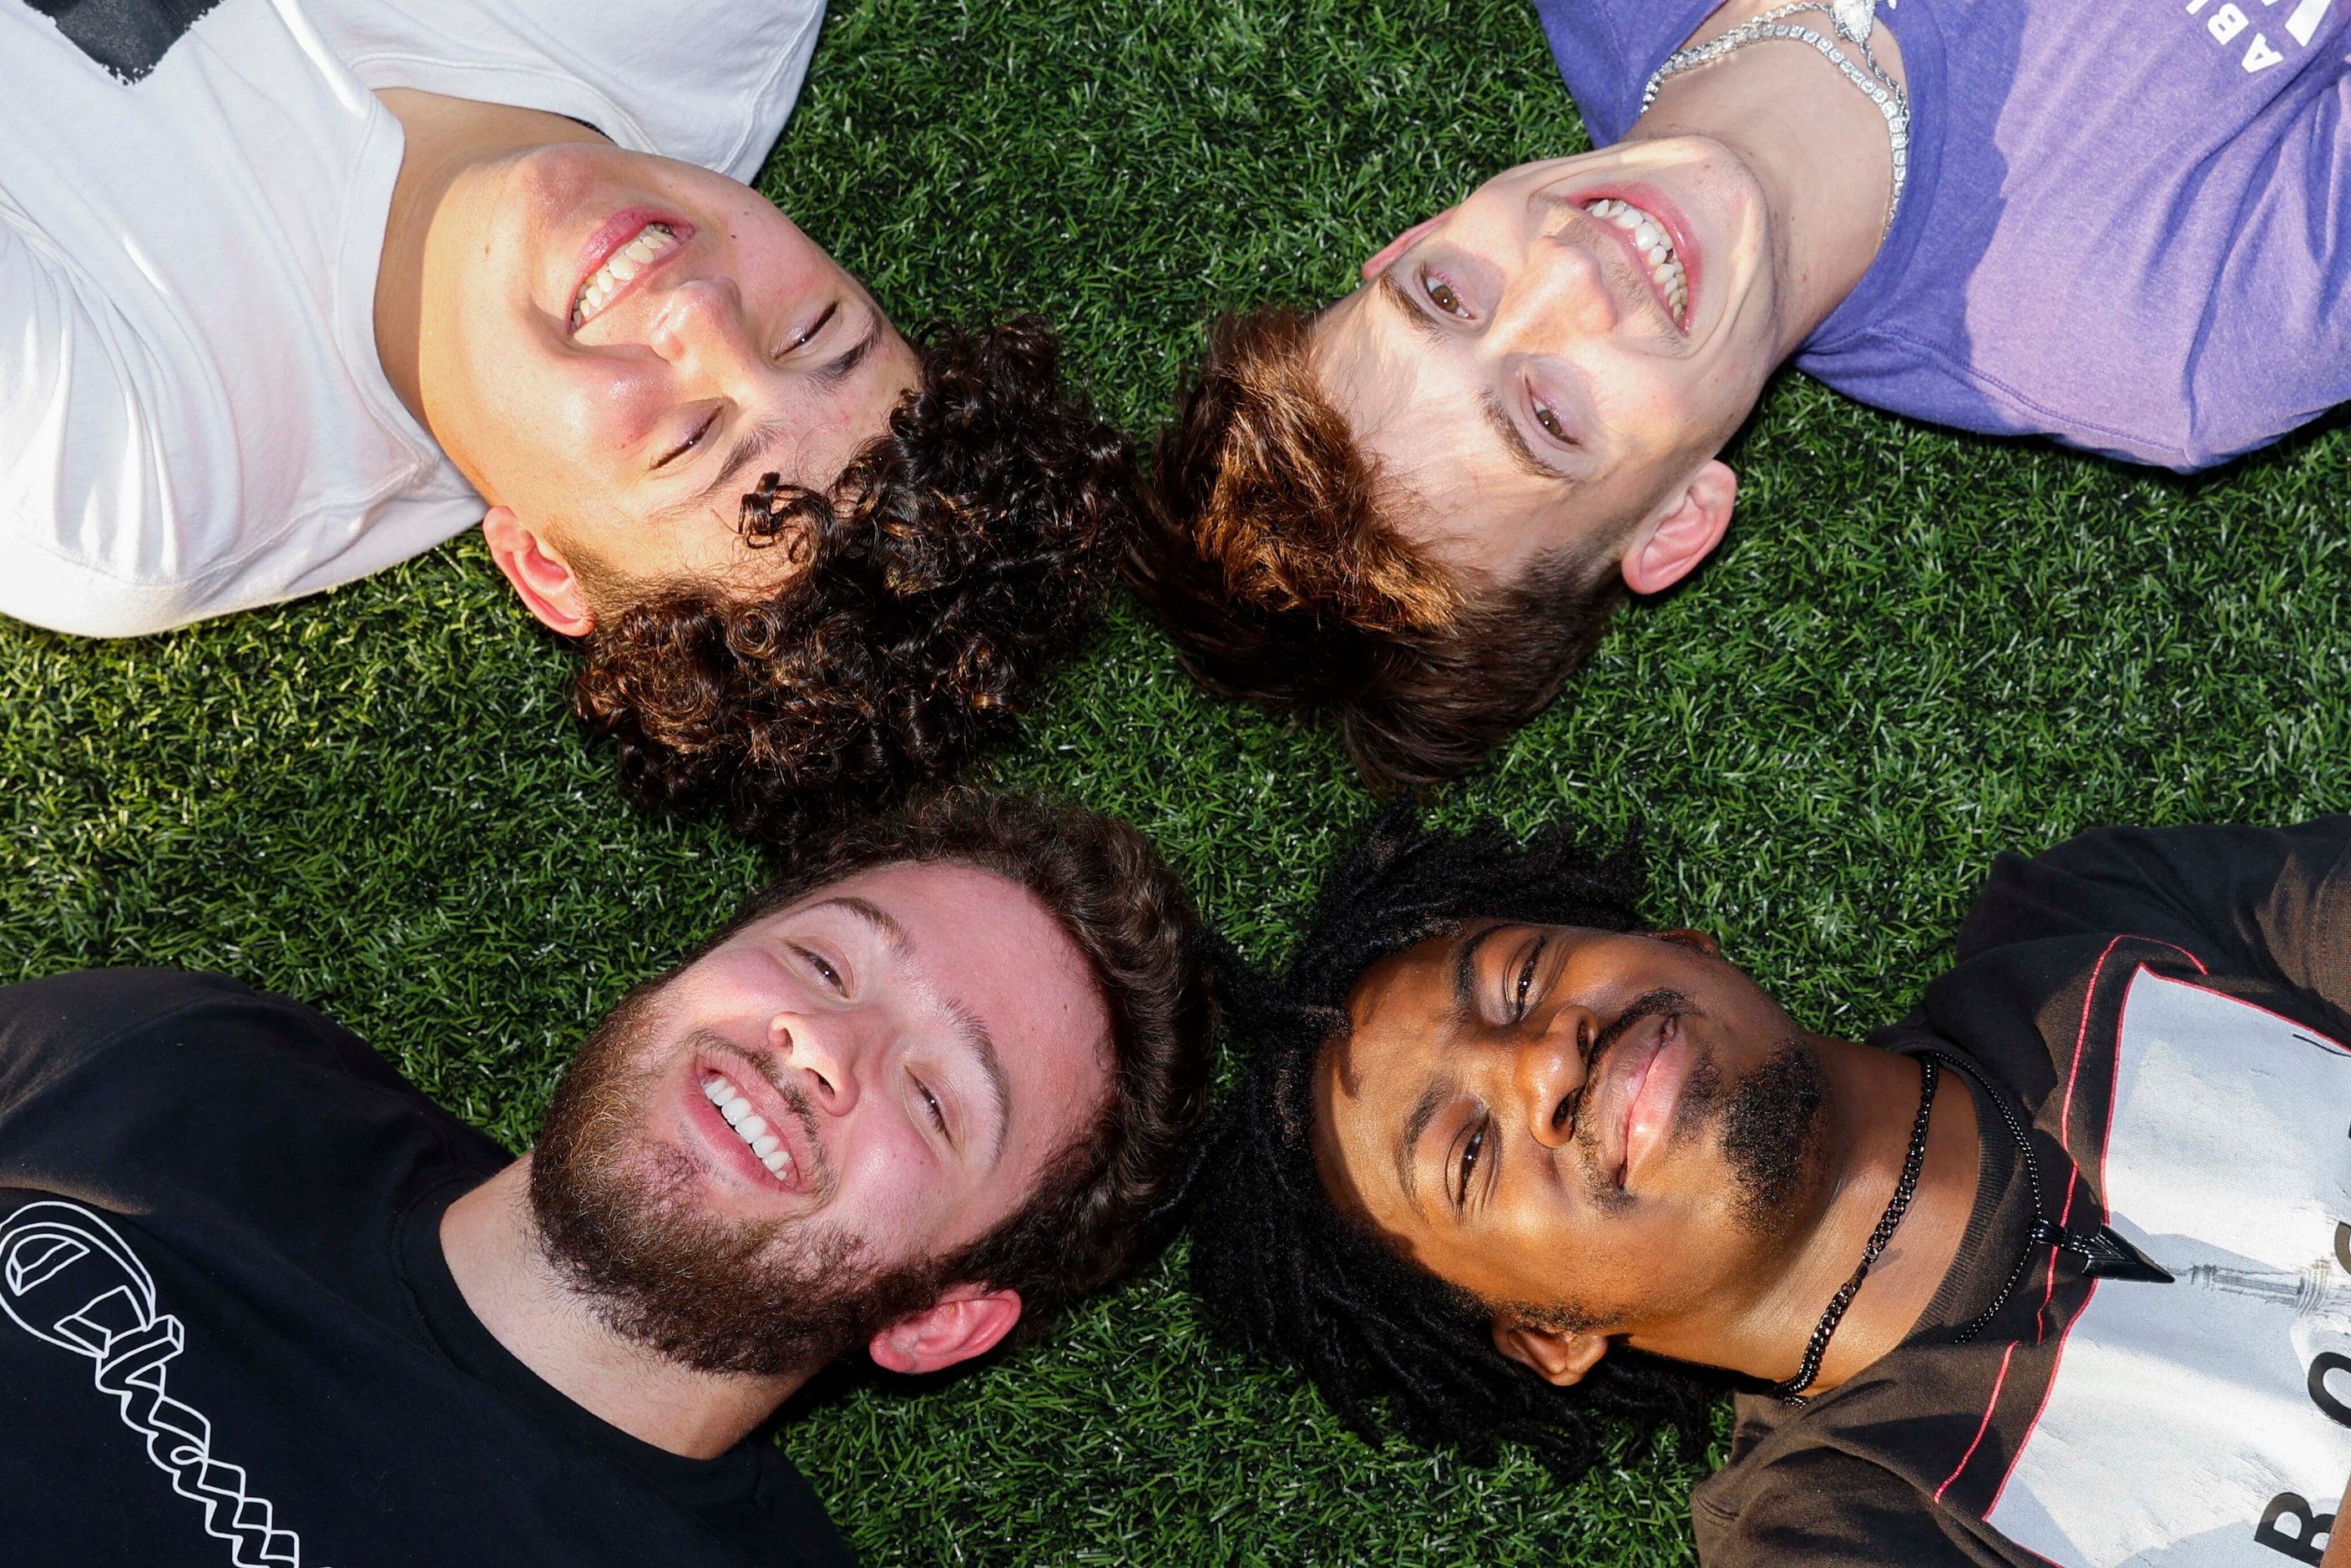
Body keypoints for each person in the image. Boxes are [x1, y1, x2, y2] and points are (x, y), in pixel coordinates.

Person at [1130, 0, 2351, 787]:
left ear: (1406, 242)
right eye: (1551, 418)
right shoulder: (2164, 325)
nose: (1569, 266)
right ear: (1677, 525)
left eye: (1448, 296)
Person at [2, 0, 1134, 837]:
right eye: (817, 329)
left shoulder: (127, 468)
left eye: (691, 441)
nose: (700, 313)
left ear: (543, 567)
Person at [0, 791, 1213, 1565]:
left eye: (937, 1096)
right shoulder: (194, 1065)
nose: (821, 1045)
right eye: (822, 959)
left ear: (936, 1317)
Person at [1188, 807, 2351, 1565]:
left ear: (1683, 942)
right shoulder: (1836, 1532)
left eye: (1521, 976)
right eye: (1470, 1155)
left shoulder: (2085, 925)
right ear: (1546, 1333)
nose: (1545, 1055)